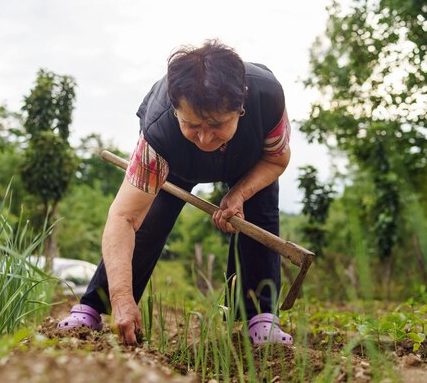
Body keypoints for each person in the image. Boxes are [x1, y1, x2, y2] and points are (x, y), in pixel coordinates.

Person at [58, 40, 293, 346]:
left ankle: (261, 317)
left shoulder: (268, 97)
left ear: (241, 107)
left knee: (258, 214)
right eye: (193, 124)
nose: (205, 138)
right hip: (176, 164)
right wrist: (121, 299)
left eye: (218, 124)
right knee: (148, 222)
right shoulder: (159, 133)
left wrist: (239, 194)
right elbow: (124, 217)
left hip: (248, 161)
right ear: (176, 109)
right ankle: (93, 307)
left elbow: (277, 159)